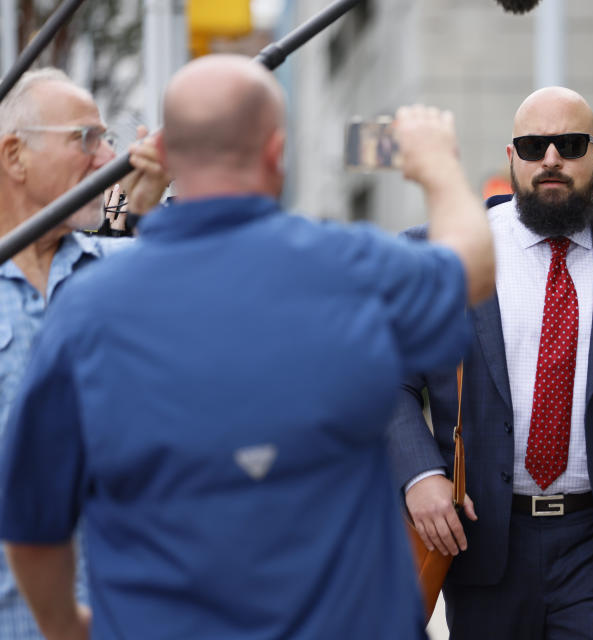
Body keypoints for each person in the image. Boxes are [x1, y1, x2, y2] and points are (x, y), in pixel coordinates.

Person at [0, 54, 494, 640]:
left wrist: (67, 627)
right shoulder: (348, 270)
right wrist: (438, 166)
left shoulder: (88, 306)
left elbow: (31, 524)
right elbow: (473, 268)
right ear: (275, 153)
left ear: (171, 158)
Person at [387, 86, 593, 639]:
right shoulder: (441, 255)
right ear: (511, 157)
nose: (551, 159)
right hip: (481, 538)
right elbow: (386, 380)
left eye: (569, 144)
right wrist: (420, 475)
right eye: (533, 145)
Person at [0, 67, 168, 640]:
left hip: (122, 616)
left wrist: (150, 212)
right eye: (85, 139)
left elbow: (206, 313)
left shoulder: (125, 269)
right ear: (15, 156)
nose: (107, 158)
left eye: (109, 140)